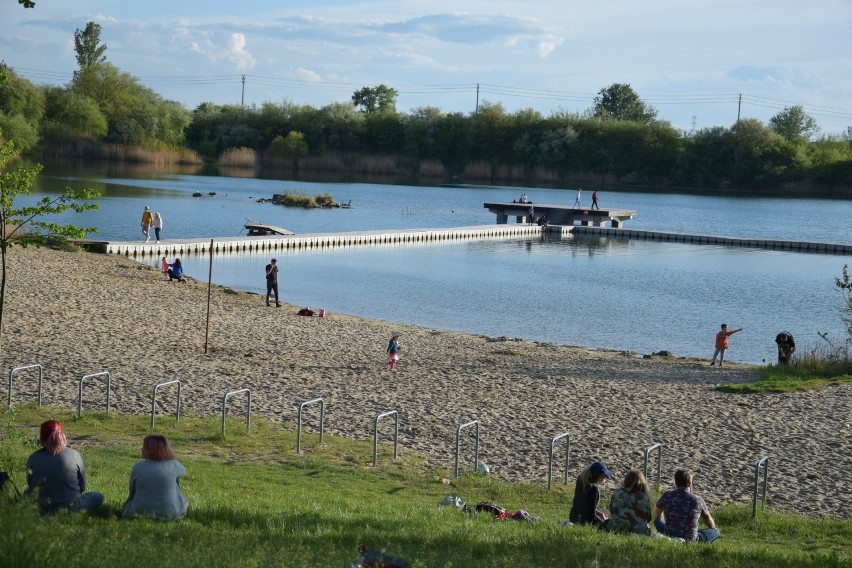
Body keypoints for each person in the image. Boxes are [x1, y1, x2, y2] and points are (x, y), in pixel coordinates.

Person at [25, 420, 104, 514]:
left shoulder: (33, 458)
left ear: (42, 437)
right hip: (72, 509)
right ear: (62, 435)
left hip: (42, 510)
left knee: (26, 492)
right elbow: (82, 487)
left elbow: (31, 484)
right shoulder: (74, 454)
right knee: (98, 496)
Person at [122, 435, 188, 521]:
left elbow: (132, 492)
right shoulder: (174, 465)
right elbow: (183, 471)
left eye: (144, 447)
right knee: (175, 479)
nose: (141, 449)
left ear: (149, 450)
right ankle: (173, 503)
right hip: (169, 513)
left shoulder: (138, 467)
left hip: (138, 513)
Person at [654, 469, 720, 543]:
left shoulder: (667, 495)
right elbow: (707, 518)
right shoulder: (697, 499)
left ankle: (667, 531)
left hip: (669, 534)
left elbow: (658, 515)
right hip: (690, 539)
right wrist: (713, 528)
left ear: (676, 483)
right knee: (715, 532)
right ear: (689, 484)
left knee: (657, 521)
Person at [604, 469, 652, 536]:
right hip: (639, 532)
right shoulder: (644, 497)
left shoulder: (617, 493)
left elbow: (612, 510)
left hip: (615, 528)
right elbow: (648, 517)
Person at [568, 461, 613, 526]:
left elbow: (584, 505)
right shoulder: (593, 489)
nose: (606, 478)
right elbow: (591, 515)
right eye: (604, 476)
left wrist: (598, 512)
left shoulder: (581, 481)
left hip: (573, 517)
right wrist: (601, 523)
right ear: (599, 476)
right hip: (584, 522)